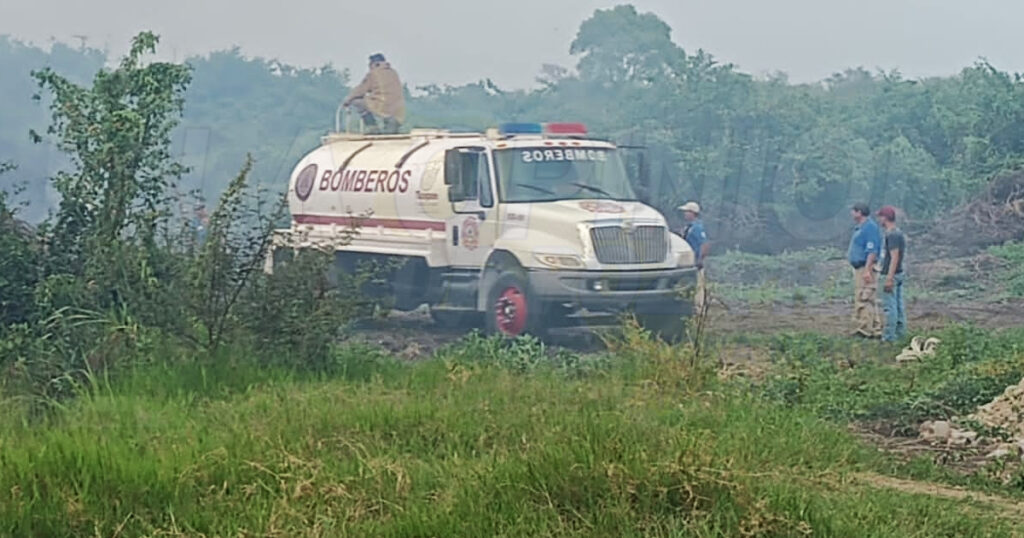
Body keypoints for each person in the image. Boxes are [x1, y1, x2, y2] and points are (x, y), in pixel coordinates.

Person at [343, 53, 405, 134]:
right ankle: (391, 124)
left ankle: (372, 127)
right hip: (398, 108)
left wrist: (347, 100)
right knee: (390, 120)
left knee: (358, 102)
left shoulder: (373, 74)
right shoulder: (393, 73)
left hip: (382, 104)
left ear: (374, 64)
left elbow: (360, 90)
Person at [847, 203, 882, 338]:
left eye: (853, 211)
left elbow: (872, 251)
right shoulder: (860, 228)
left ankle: (864, 329)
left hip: (865, 267)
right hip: (859, 267)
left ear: (859, 212)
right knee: (868, 297)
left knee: (864, 297)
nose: (852, 214)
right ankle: (875, 328)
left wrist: (867, 270)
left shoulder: (869, 228)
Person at [876, 205, 907, 342]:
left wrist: (889, 277)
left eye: (880, 217)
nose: (879, 220)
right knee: (899, 306)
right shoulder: (898, 233)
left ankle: (889, 337)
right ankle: (901, 334)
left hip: (892, 275)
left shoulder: (892, 235)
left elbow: (894, 257)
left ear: (885, 217)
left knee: (890, 307)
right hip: (898, 273)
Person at [678, 201, 710, 310]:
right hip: (689, 261)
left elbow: (704, 244)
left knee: (699, 285)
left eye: (687, 212)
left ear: (693, 213)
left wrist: (700, 259)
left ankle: (699, 307)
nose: (685, 214)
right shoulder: (689, 227)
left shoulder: (697, 227)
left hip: (696, 261)